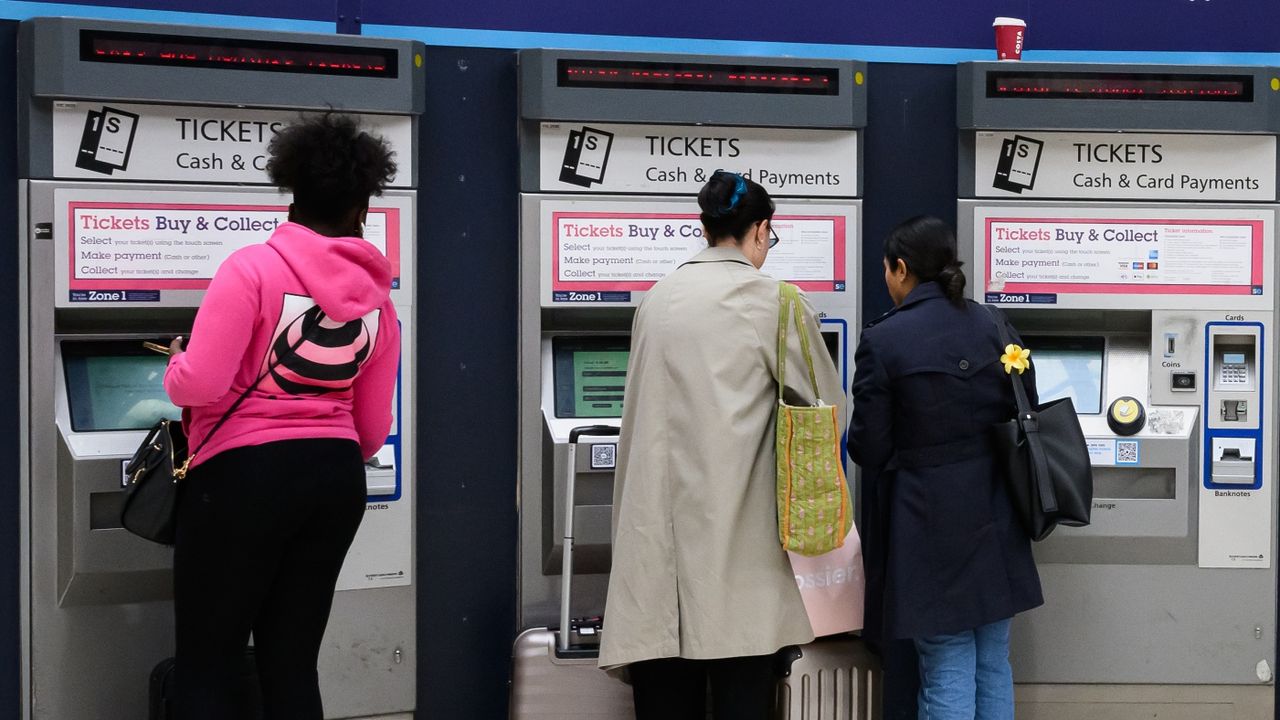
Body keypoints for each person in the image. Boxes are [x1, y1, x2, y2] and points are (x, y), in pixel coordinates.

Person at [162, 113, 401, 719]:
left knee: (208, 662)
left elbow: (203, 382)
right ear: (362, 207)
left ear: (292, 192)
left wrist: (175, 364)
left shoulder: (251, 269)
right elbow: (372, 427)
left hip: (243, 480)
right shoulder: (378, 301)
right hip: (334, 480)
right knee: (291, 663)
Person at [598, 171, 845, 719]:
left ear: (705, 228)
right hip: (739, 563)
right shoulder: (775, 301)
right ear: (761, 230)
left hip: (655, 565)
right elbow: (829, 411)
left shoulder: (656, 299)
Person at [849, 216, 1042, 720]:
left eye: (888, 270)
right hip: (998, 515)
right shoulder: (994, 324)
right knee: (992, 660)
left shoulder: (885, 341)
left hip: (928, 522)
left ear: (901, 268)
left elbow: (869, 449)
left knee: (947, 660)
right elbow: (1028, 411)